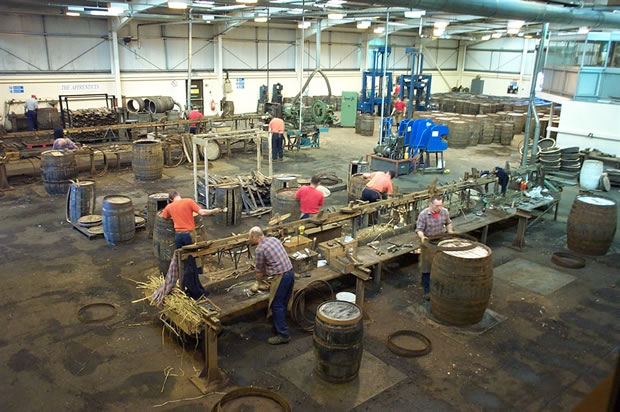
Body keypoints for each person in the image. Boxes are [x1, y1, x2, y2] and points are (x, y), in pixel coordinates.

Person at [161, 190, 221, 300]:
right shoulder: (188, 201)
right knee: (192, 262)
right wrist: (214, 210)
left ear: (170, 199)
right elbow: (202, 213)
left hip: (178, 236)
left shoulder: (169, 207)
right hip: (189, 235)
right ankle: (196, 292)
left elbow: (164, 217)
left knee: (182, 263)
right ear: (179, 195)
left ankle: (187, 288)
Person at [249, 226, 294, 345]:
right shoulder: (274, 240)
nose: (250, 239)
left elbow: (259, 270)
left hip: (281, 278)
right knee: (283, 302)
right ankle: (280, 325)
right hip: (290, 273)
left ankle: (283, 335)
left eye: (250, 237)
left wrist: (257, 282)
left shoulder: (260, 249)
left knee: (276, 305)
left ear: (254, 237)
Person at [416, 196, 454, 300]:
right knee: (427, 266)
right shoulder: (424, 214)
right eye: (437, 206)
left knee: (440, 264)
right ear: (431, 204)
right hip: (427, 241)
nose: (439, 208)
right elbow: (419, 229)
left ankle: (438, 285)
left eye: (440, 205)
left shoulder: (444, 212)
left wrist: (450, 231)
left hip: (440, 241)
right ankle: (427, 290)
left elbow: (448, 222)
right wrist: (422, 237)